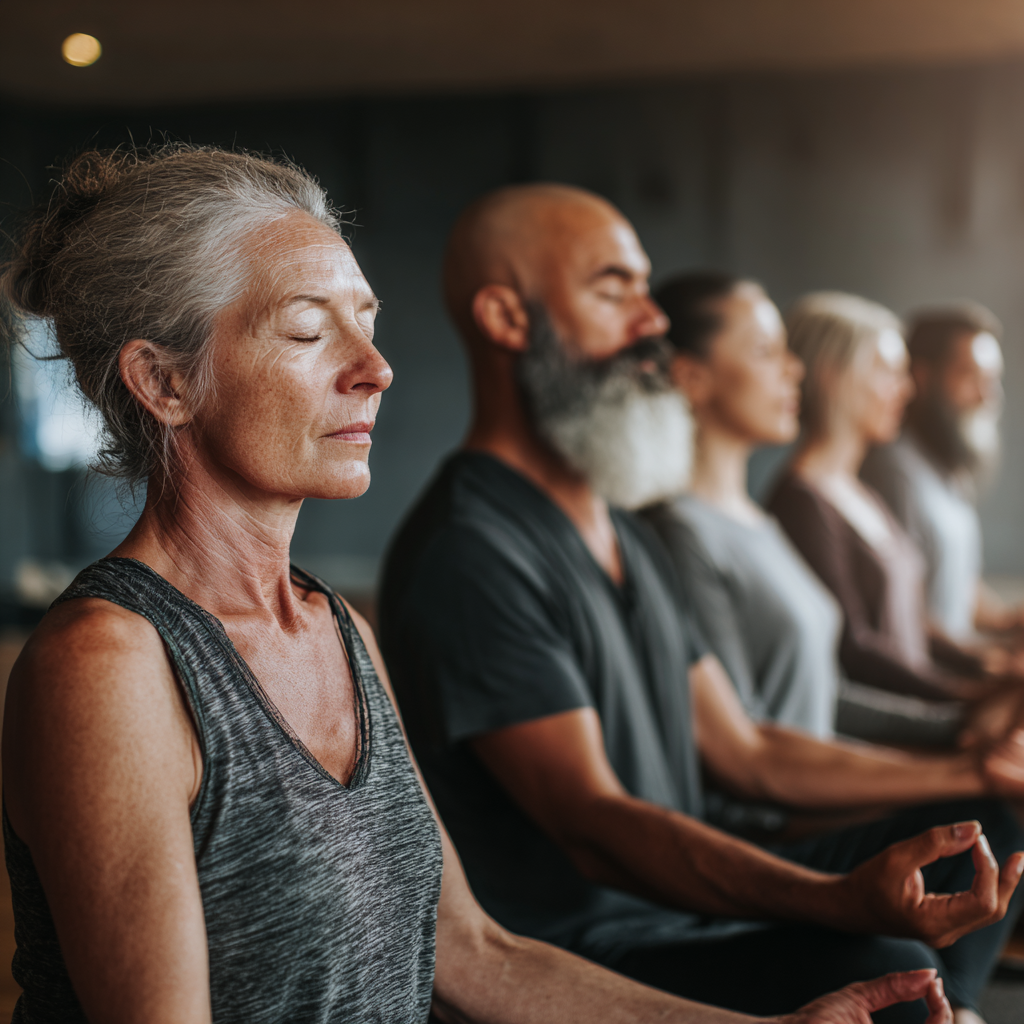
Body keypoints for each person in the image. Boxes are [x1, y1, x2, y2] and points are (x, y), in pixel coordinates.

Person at [0, 146, 932, 1024]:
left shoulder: (339, 631)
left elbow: (475, 953)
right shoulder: (108, 666)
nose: (375, 370)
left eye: (368, 325)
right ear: (165, 383)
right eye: (308, 331)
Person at [379, 183, 1024, 1024]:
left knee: (980, 822)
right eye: (614, 289)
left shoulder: (621, 528)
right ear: (506, 317)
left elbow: (745, 748)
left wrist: (972, 770)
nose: (652, 320)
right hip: (597, 947)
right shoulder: (470, 549)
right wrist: (836, 900)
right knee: (889, 969)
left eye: (647, 290)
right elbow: (593, 824)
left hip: (685, 906)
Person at [643, 272, 964, 748]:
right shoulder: (680, 531)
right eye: (765, 351)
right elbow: (748, 747)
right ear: (692, 377)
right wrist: (960, 742)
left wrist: (959, 726)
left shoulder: (759, 521)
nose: (794, 369)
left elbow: (820, 696)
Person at [768, 294, 1023, 749]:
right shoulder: (801, 503)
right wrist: (967, 696)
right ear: (832, 375)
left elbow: (912, 617)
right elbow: (855, 647)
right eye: (887, 372)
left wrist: (987, 665)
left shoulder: (860, 491)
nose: (905, 389)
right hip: (884, 742)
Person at [861, 303, 1024, 644]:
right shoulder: (892, 471)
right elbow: (901, 606)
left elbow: (953, 582)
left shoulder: (947, 469)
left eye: (992, 379)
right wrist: (984, 663)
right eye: (971, 377)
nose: (987, 396)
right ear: (922, 377)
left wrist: (1005, 621)